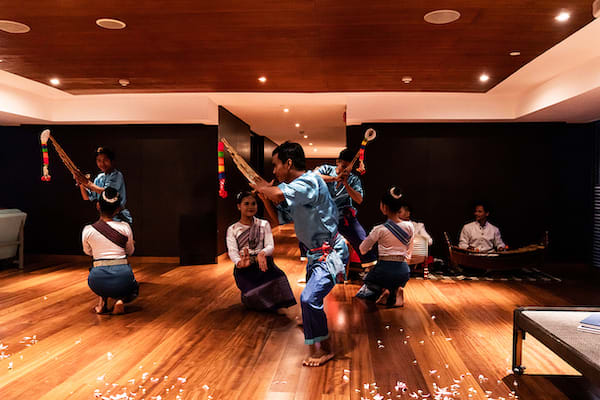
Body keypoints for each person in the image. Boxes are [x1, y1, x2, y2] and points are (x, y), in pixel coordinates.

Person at [252, 141, 348, 367]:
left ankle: (325, 349)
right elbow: (279, 220)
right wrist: (265, 197)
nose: (274, 171)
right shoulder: (297, 189)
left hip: (330, 253)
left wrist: (263, 186)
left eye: (276, 165)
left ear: (288, 162)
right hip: (315, 254)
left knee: (309, 298)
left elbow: (276, 192)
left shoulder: (309, 181)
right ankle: (312, 324)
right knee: (309, 301)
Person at [226, 191, 297, 311]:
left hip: (263, 263)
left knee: (280, 279)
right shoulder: (233, 229)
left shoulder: (264, 224)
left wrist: (262, 253)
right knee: (252, 298)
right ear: (239, 206)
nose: (250, 207)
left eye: (253, 204)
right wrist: (239, 262)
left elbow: (270, 245)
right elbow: (232, 251)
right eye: (246, 204)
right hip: (245, 266)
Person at [315, 149, 377, 267]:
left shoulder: (353, 179)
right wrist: (334, 178)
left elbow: (359, 199)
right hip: (323, 216)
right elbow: (313, 177)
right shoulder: (327, 169)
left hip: (344, 216)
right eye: (343, 166)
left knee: (363, 241)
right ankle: (316, 270)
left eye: (348, 167)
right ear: (337, 162)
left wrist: (346, 184)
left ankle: (371, 273)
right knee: (315, 246)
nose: (346, 170)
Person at [82, 187, 138, 315]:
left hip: (97, 280)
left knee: (97, 267)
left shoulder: (88, 230)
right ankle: (120, 300)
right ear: (118, 209)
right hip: (123, 278)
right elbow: (130, 251)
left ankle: (102, 302)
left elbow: (88, 252)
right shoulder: (125, 227)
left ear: (98, 206)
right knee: (134, 287)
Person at [356, 187, 414, 307]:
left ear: (384, 207)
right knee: (394, 280)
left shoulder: (379, 229)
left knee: (368, 280)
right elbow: (409, 249)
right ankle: (397, 291)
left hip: (384, 269)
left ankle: (383, 291)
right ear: (400, 208)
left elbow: (362, 249)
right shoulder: (410, 226)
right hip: (403, 271)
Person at [76, 147, 132, 224]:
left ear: (112, 161)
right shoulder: (99, 177)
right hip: (104, 218)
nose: (102, 164)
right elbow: (87, 197)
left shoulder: (117, 175)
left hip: (119, 217)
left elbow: (108, 193)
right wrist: (81, 183)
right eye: (99, 161)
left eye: (105, 160)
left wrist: (87, 183)